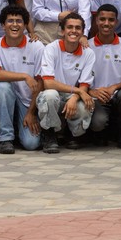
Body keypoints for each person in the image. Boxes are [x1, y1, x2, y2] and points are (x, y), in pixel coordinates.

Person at [0, 5, 46, 154]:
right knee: (3, 87)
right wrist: (25, 76)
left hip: (27, 101)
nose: (14, 24)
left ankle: (18, 126)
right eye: (10, 21)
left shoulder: (36, 46)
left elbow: (40, 81)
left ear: (25, 25)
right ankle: (5, 138)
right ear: (2, 25)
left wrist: (31, 112)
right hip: (7, 97)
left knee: (31, 144)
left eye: (19, 21)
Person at [35, 12, 96, 153]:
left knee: (84, 105)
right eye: (69, 27)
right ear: (62, 31)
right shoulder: (51, 48)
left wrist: (75, 96)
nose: (73, 31)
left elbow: (85, 85)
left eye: (78, 28)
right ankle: (49, 133)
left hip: (72, 94)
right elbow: (48, 83)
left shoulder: (88, 53)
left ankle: (73, 134)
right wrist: (78, 91)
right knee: (49, 95)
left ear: (82, 32)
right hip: (55, 92)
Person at [87, 5, 121, 148]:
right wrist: (92, 91)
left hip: (119, 92)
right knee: (98, 123)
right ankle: (101, 133)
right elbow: (78, 78)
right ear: (96, 20)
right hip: (97, 96)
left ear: (117, 21)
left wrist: (114, 87)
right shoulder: (87, 47)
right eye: (102, 19)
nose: (106, 23)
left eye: (111, 20)